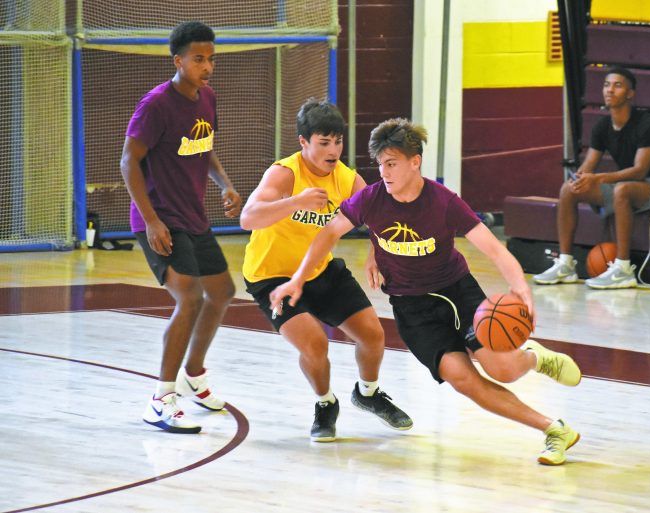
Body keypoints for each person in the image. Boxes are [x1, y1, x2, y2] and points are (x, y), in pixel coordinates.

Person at [270, 118, 583, 465]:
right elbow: (328, 234)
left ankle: (535, 357)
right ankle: (554, 430)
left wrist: (520, 286)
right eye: (380, 165)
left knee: (503, 369)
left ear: (414, 161)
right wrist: (298, 278)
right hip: (412, 310)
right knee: (465, 380)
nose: (384, 172)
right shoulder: (371, 199)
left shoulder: (443, 201)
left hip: (456, 293)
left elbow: (494, 249)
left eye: (392, 163)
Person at [239, 99, 412, 443]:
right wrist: (295, 201)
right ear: (303, 142)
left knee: (374, 335)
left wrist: (375, 253)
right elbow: (248, 217)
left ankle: (368, 393)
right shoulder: (284, 173)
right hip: (272, 278)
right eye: (324, 143)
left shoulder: (347, 180)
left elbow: (380, 219)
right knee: (316, 345)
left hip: (320, 271)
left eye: (338, 142)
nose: (333, 150)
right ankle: (325, 403)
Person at [120, 21, 242, 434]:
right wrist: (151, 219)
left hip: (194, 216)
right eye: (198, 59)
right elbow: (128, 161)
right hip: (159, 219)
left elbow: (204, 146)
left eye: (211, 59)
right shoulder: (156, 105)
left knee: (223, 292)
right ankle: (160, 398)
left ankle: (193, 374)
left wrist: (224, 184)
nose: (207, 67)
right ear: (178, 61)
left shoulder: (207, 97)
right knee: (189, 298)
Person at [534, 66, 650, 289]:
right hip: (628, 184)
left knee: (622, 190)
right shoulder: (602, 126)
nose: (610, 90)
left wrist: (599, 178)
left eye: (617, 85)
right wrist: (580, 179)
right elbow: (588, 166)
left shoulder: (648, 124)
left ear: (631, 93)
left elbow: (641, 171)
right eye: (606, 85)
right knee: (568, 189)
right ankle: (565, 264)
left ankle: (623, 269)